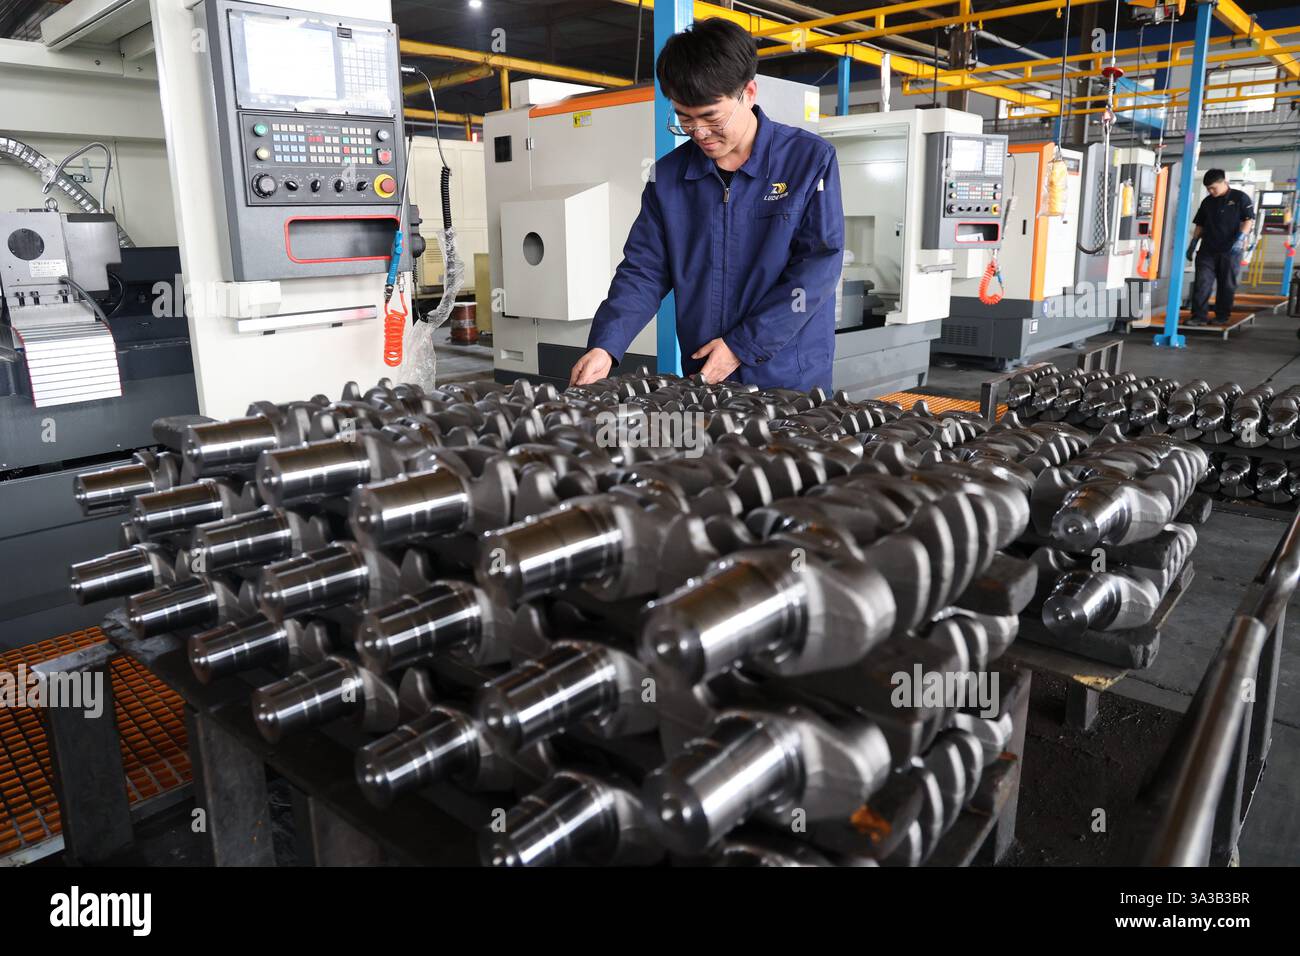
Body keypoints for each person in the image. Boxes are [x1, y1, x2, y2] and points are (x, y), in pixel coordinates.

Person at [568, 18, 844, 392]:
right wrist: (607, 344)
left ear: (748, 92)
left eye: (711, 117)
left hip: (789, 374)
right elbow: (644, 270)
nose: (698, 133)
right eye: (685, 118)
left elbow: (816, 270)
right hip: (706, 369)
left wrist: (742, 346)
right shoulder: (668, 178)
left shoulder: (808, 161)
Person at [1186, 168, 1256, 325]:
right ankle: (1199, 316)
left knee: (1226, 284)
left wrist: (1240, 239)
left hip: (1231, 250)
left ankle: (1222, 316)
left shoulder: (1240, 198)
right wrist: (1193, 243)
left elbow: (1248, 220)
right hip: (1207, 250)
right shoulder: (1208, 201)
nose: (1211, 191)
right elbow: (1200, 224)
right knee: (1202, 283)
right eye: (1208, 189)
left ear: (1224, 182)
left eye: (1213, 188)